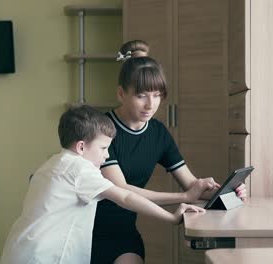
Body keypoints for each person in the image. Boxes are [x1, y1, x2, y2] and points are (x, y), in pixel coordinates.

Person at [91, 40, 247, 264]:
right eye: (141, 95)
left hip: (124, 230)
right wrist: (183, 198)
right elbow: (121, 190)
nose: (150, 105)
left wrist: (227, 192)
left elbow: (191, 184)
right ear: (121, 93)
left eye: (156, 95)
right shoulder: (103, 129)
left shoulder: (157, 132)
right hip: (87, 227)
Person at [0, 105, 205, 264]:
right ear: (81, 147)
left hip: (21, 251)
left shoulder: (53, 163)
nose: (107, 155)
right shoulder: (80, 169)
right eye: (103, 148)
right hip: (45, 257)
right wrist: (171, 217)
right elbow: (125, 196)